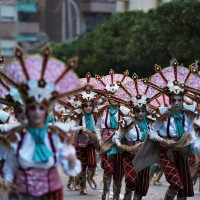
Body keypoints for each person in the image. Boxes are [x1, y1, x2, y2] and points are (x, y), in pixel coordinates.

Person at [0, 47, 82, 200]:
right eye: (32, 108)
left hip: (50, 194)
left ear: (46, 111)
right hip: (22, 194)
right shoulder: (16, 135)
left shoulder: (56, 134)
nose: (36, 112)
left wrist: (71, 161)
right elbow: (10, 166)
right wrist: (7, 182)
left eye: (40, 108)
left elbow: (71, 168)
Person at [140, 60, 200, 200]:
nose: (177, 103)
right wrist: (164, 140)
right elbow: (152, 132)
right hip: (166, 152)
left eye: (180, 100)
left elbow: (191, 131)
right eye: (174, 100)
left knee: (184, 188)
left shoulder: (188, 115)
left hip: (182, 151)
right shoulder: (163, 115)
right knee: (175, 183)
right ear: (170, 101)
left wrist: (189, 139)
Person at [95, 69, 132, 200]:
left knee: (118, 173)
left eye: (116, 95)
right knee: (108, 169)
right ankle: (105, 191)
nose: (113, 98)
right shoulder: (102, 110)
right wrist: (99, 139)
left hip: (121, 143)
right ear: (107, 97)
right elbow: (98, 127)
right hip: (106, 143)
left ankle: (116, 196)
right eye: (111, 96)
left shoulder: (125, 111)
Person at [71, 72, 99, 195]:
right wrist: (81, 128)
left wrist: (97, 135)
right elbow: (71, 128)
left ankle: (90, 177)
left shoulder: (96, 116)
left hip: (91, 143)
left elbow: (98, 128)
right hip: (79, 143)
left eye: (90, 105)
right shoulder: (78, 115)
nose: (88, 108)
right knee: (81, 166)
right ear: (82, 106)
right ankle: (82, 186)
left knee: (92, 163)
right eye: (86, 105)